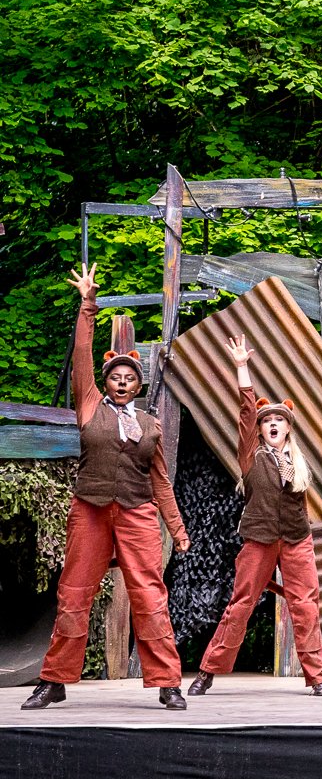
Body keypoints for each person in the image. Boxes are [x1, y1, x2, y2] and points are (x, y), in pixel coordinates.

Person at [22, 264, 191, 711]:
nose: (121, 381)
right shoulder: (90, 406)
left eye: (129, 378)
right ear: (106, 381)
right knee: (74, 593)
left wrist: (177, 529)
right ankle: (54, 680)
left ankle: (167, 682)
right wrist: (87, 305)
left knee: (150, 597)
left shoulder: (150, 426)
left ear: (138, 385)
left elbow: (161, 481)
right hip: (91, 510)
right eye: (115, 375)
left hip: (136, 514)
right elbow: (82, 354)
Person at [188, 336, 322, 697]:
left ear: (289, 427)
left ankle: (318, 678)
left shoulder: (298, 465)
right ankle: (207, 671)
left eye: (280, 420)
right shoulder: (252, 456)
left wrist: (304, 533)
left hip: (297, 538)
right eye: (269, 422)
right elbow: (247, 413)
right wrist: (242, 368)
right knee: (241, 604)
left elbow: (300, 507)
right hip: (259, 538)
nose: (273, 424)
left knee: (306, 605)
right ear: (262, 430)